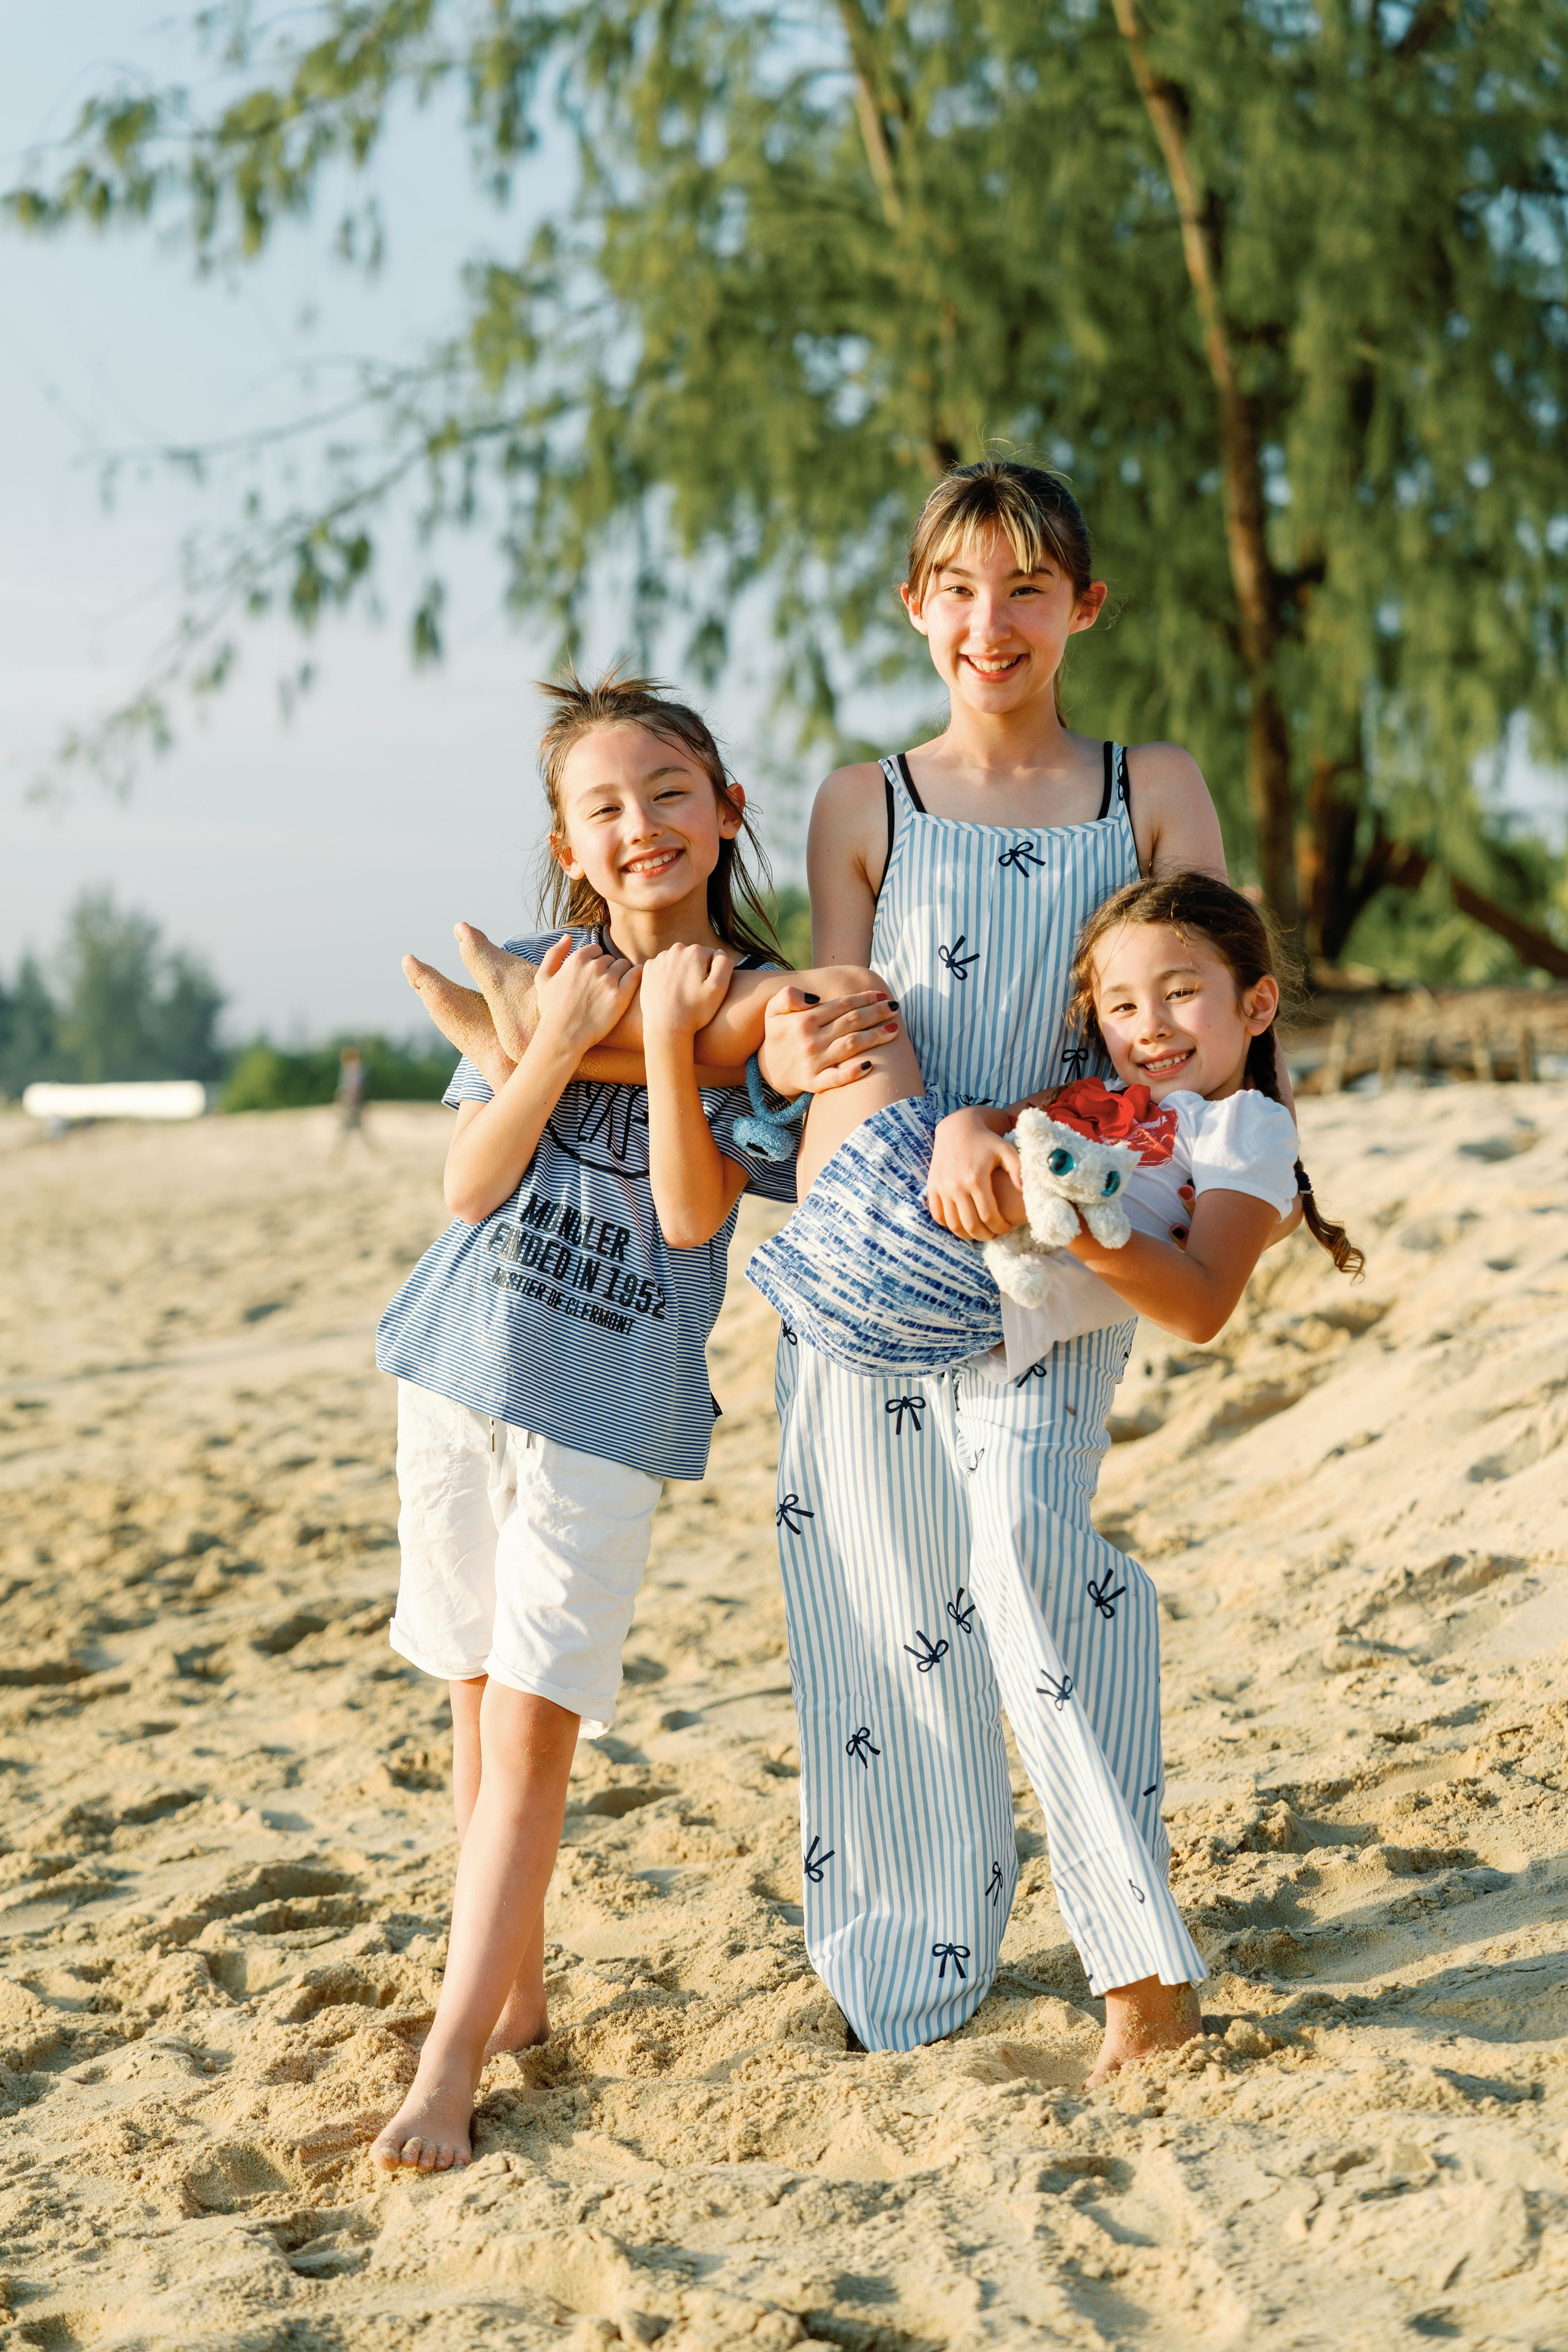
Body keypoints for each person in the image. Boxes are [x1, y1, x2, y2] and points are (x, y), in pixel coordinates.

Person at [760, 457, 1254, 2082]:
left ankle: (1140, 1963)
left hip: (1060, 1250)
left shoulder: (1146, 789)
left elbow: (1204, 1034)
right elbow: (835, 1041)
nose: (994, 622)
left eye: (1029, 587)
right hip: (879, 1250)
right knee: (885, 1609)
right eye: (960, 589)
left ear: (1083, 608)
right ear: (915, 606)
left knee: (1036, 1565)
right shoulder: (862, 805)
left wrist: (1010, 1131)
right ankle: (913, 1971)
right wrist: (875, 1128)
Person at [368, 670, 887, 2173]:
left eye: (668, 792)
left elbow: (684, 1215)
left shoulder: (764, 1001)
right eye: (602, 807)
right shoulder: (550, 970)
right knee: (472, 1706)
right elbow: (468, 1183)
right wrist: (537, 1039)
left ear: (726, 813)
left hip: (601, 1409)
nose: (639, 823)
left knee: (530, 1730)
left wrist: (661, 1037)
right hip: (456, 1370)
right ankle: (512, 1999)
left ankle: (448, 2064)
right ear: (568, 845)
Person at [748, 870, 1362, 1382]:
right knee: (825, 1002)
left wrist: (1056, 1214)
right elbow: (1000, 1120)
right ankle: (709, 1037)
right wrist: (962, 1129)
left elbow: (1201, 1310)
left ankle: (693, 1020)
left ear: (1257, 1004)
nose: (1150, 1026)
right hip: (842, 1263)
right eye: (1122, 1006)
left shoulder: (1248, 1124)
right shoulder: (1105, 1094)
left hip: (951, 1280)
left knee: (847, 992)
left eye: (1180, 992)